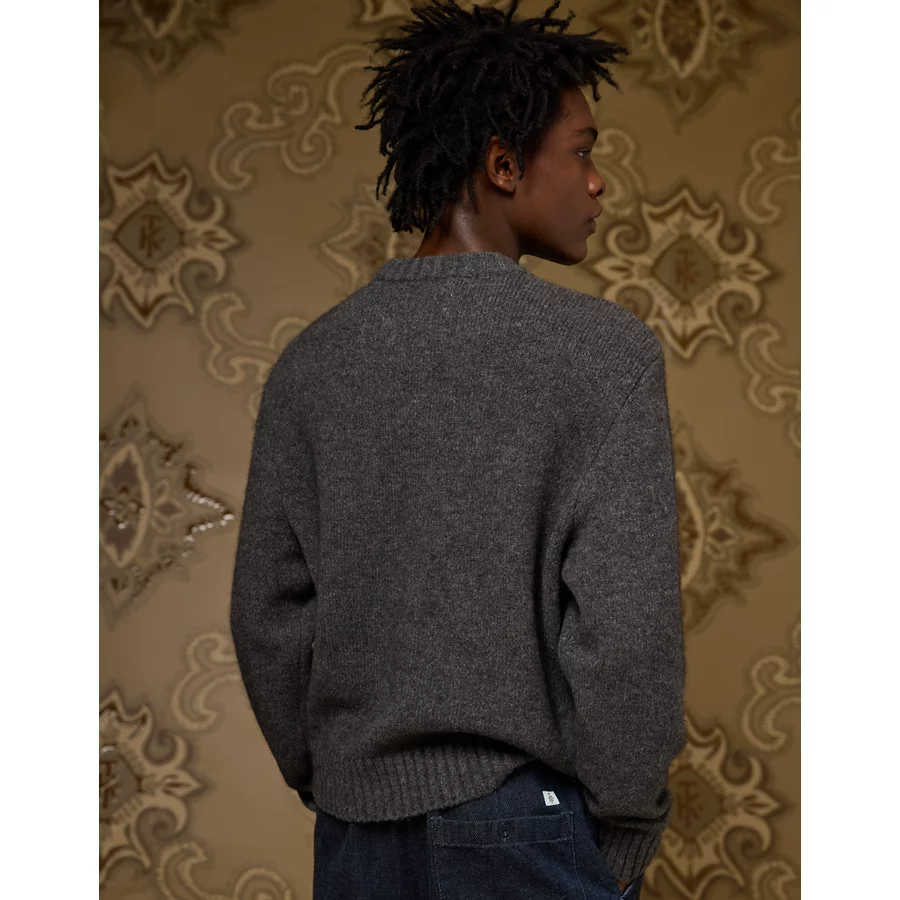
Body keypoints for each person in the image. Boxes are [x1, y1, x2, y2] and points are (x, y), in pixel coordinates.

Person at [229, 1, 686, 897]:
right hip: (529, 831)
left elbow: (267, 619)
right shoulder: (605, 356)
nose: (598, 183)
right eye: (582, 152)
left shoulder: (312, 365)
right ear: (503, 164)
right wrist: (625, 824)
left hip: (356, 836)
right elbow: (626, 636)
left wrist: (339, 779)